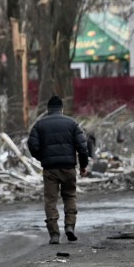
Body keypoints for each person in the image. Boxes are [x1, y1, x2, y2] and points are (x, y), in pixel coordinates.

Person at [27, 95, 91, 244]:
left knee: (50, 200)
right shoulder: (72, 124)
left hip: (50, 169)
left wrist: (42, 158)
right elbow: (82, 147)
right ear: (62, 109)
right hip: (68, 167)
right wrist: (83, 166)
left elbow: (32, 145)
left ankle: (54, 234)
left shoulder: (39, 125)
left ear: (48, 110)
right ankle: (69, 225)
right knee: (69, 196)